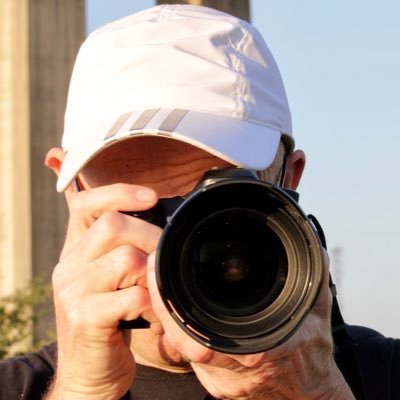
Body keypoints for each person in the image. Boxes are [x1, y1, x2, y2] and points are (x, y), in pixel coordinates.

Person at [0, 4, 399, 400]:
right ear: (75, 193)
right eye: (143, 213)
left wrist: (318, 392)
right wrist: (82, 392)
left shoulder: (384, 375)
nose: (177, 245)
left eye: (216, 209)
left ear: (289, 180)